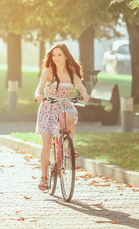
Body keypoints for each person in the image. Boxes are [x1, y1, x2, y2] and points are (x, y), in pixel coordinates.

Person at [34, 43, 90, 191]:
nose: (56, 58)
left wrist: (84, 93)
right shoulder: (48, 71)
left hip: (64, 105)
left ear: (66, 56)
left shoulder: (71, 72)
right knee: (46, 144)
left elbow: (81, 86)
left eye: (59, 55)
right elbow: (39, 88)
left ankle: (68, 148)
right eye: (54, 55)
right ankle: (44, 178)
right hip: (48, 107)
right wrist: (38, 95)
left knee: (69, 116)